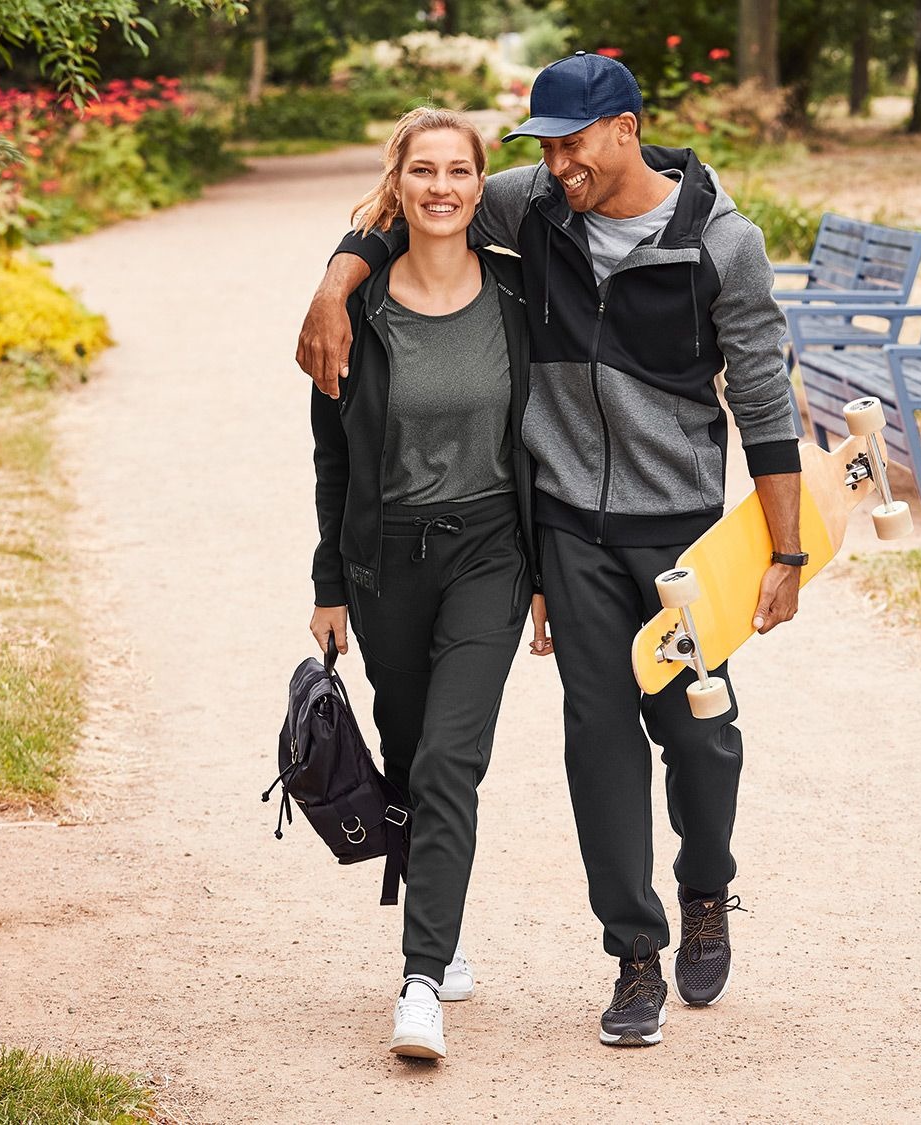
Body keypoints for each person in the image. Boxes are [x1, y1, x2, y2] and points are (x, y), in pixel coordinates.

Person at [298, 54, 805, 1048]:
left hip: (678, 532)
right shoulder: (536, 203)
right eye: (545, 146)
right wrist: (335, 282)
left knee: (698, 731)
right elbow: (416, 205)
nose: (558, 163)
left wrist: (785, 551)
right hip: (570, 525)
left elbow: (763, 398)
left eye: (573, 143)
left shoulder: (722, 244)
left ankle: (707, 884)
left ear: (625, 130)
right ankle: (635, 955)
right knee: (599, 735)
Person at [308, 106, 551, 1060]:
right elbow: (333, 458)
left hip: (491, 551)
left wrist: (545, 573)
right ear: (397, 184)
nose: (442, 187)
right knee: (409, 753)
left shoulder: (519, 295)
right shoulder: (354, 312)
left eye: (459, 171)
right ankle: (439, 925)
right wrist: (330, 583)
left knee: (451, 757)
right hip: (387, 563)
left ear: (481, 186)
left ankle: (420, 980)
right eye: (424, 171)